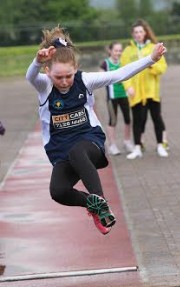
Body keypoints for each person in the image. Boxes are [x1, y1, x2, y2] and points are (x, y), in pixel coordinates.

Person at [26, 25, 166, 235]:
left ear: (76, 68)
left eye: (68, 76)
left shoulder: (85, 80)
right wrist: (37, 61)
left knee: (78, 151)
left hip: (89, 141)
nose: (64, 82)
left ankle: (101, 204)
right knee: (58, 191)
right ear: (48, 72)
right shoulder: (44, 85)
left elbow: (119, 74)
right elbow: (30, 76)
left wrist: (151, 59)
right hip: (60, 148)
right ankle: (92, 205)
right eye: (58, 77)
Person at [121, 19, 169, 159]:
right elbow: (123, 71)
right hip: (136, 93)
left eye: (141, 31)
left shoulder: (154, 47)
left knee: (156, 118)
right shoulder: (128, 50)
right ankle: (137, 148)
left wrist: (152, 65)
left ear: (145, 33)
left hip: (152, 91)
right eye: (136, 32)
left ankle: (160, 145)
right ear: (132, 34)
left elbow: (162, 67)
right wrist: (128, 87)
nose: (138, 34)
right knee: (138, 120)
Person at [100, 41, 134, 155]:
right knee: (113, 121)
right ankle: (112, 145)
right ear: (110, 51)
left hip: (124, 95)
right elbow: (100, 79)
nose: (118, 53)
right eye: (116, 50)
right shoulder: (105, 64)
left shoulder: (124, 62)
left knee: (128, 119)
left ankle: (127, 142)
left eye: (120, 50)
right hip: (112, 97)